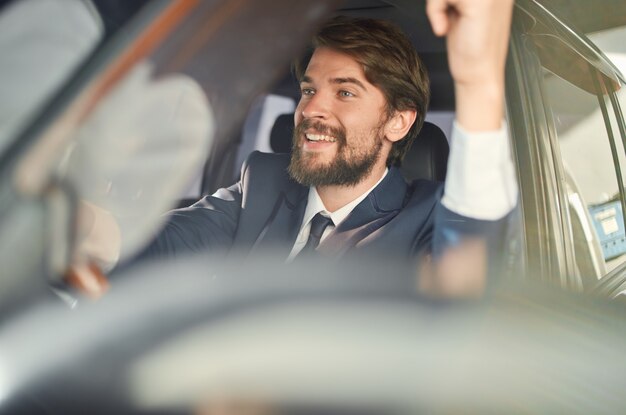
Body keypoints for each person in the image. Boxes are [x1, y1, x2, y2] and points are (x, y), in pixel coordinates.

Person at [76, 0, 517, 298]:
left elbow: (465, 272)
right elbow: (159, 242)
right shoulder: (262, 182)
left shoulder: (425, 217)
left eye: (345, 93)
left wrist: (479, 84)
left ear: (398, 122)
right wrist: (59, 219)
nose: (312, 109)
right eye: (309, 90)